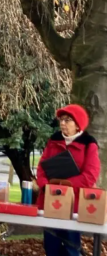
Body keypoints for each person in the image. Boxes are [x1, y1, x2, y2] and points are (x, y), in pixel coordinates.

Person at [36, 104, 100, 256]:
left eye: (68, 120)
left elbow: (90, 175)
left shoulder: (89, 143)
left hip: (74, 205)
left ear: (78, 124)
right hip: (50, 202)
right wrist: (46, 186)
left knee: (71, 249)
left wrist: (65, 187)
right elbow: (41, 168)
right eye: (61, 120)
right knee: (51, 248)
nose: (62, 123)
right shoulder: (54, 140)